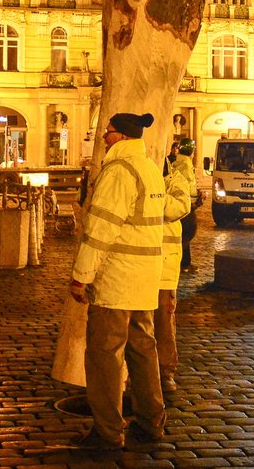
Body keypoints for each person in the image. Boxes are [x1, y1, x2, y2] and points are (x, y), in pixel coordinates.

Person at [69, 112, 167, 450]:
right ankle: (152, 422)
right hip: (145, 277)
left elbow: (100, 232)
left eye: (107, 134)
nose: (103, 139)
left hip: (116, 279)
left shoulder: (118, 172)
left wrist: (81, 276)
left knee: (105, 356)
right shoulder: (151, 170)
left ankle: (108, 432)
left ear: (122, 137)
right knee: (143, 350)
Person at [156, 167, 191, 394]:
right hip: (134, 266)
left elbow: (180, 207)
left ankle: (165, 371)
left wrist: (151, 195)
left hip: (164, 267)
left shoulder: (174, 178)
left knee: (164, 322)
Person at [172, 138, 200, 274]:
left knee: (185, 232)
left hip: (181, 202)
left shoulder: (178, 162)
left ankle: (185, 262)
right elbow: (188, 186)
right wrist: (197, 197)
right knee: (188, 231)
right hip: (186, 204)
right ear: (192, 152)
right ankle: (180, 263)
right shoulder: (186, 165)